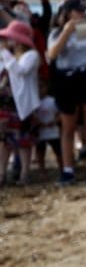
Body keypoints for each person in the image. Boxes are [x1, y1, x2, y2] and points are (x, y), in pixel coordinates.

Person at [46, 0, 86, 184]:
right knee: (68, 128)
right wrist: (67, 29)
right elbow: (53, 54)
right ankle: (67, 169)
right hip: (66, 80)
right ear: (68, 13)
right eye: (78, 11)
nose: (82, 14)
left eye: (83, 11)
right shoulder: (57, 32)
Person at [1, 20, 42, 185]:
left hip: (23, 105)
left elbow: (20, 71)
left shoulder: (31, 55)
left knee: (24, 141)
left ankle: (25, 174)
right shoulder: (9, 56)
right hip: (6, 103)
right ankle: (2, 173)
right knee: (4, 141)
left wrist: (4, 52)